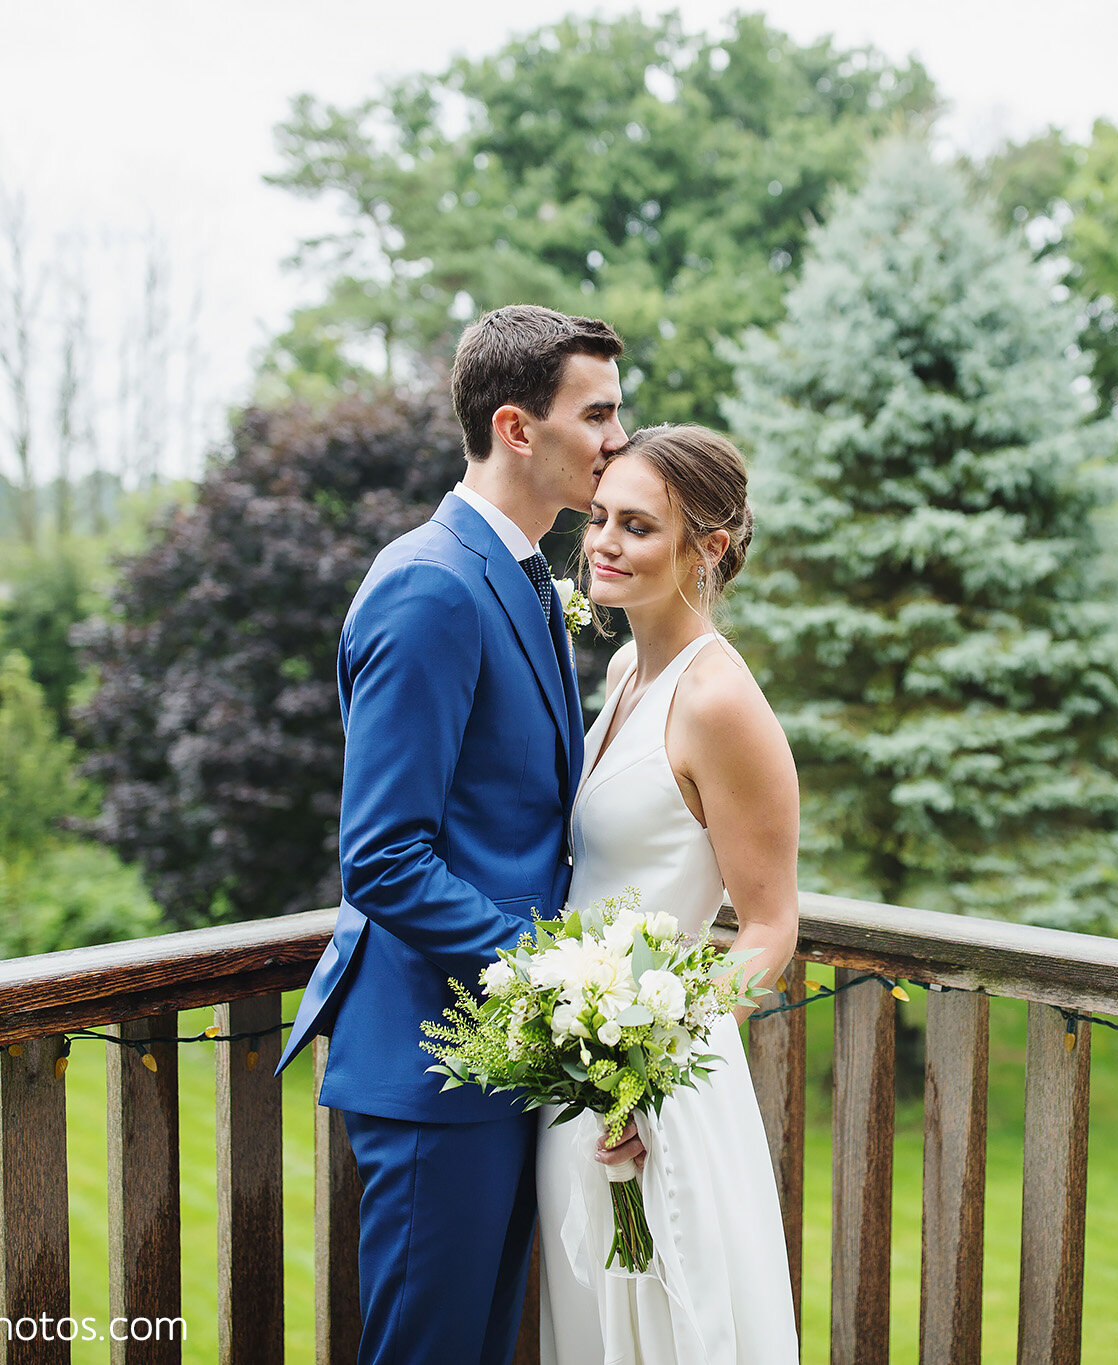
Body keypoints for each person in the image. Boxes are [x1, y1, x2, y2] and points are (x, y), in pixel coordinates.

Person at [275, 304, 629, 1365]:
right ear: (517, 427)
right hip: (437, 1061)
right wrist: (554, 981)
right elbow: (384, 857)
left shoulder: (518, 572)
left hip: (495, 1055)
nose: (617, 440)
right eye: (598, 413)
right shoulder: (431, 585)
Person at [538, 423, 803, 1363]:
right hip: (583, 1073)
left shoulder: (719, 701)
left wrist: (647, 1075)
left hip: (661, 1092)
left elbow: (771, 925)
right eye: (600, 517)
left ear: (709, 547)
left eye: (638, 527)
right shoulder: (622, 671)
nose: (602, 542)